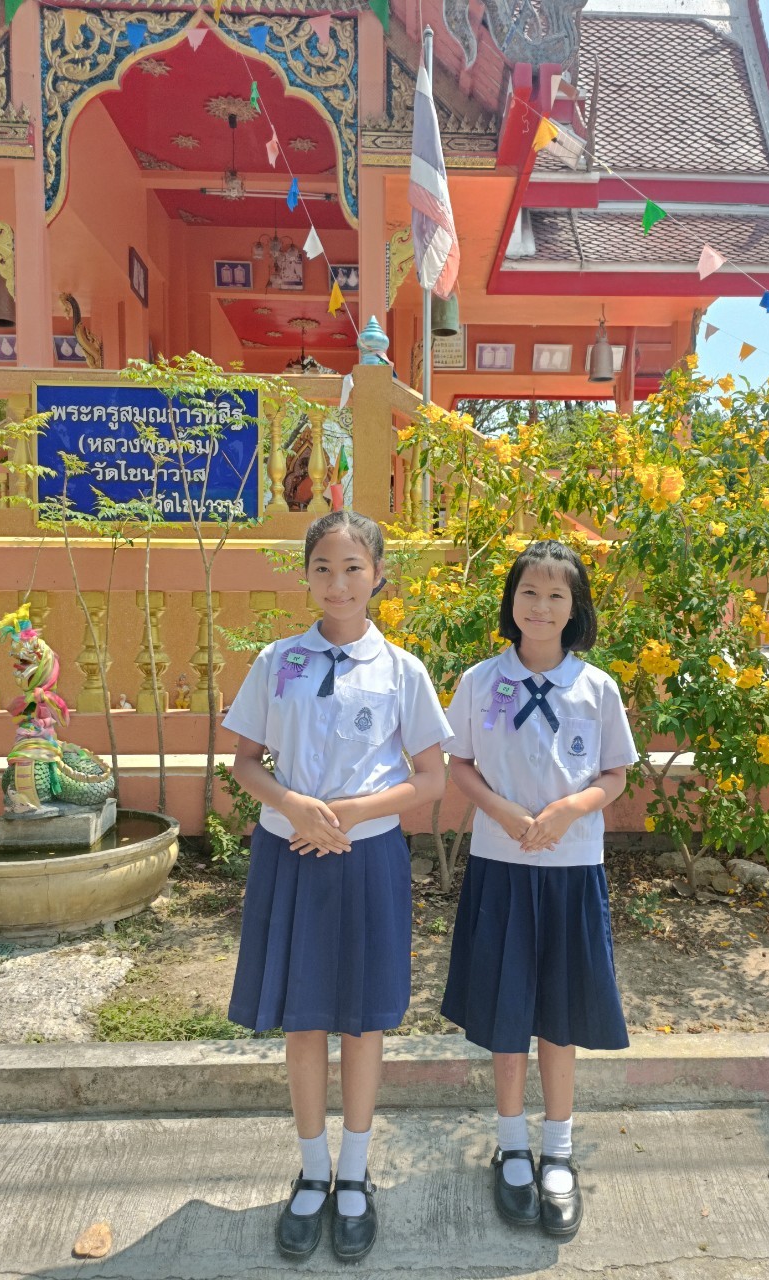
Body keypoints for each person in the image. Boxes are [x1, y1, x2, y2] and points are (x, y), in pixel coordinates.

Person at [223, 511, 452, 1262]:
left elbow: (430, 778)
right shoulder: (277, 661)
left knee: (360, 1020)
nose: (338, 582)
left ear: (378, 575)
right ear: (306, 575)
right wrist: (294, 805)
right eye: (323, 567)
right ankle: (312, 1171)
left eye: (354, 567)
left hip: (367, 858)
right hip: (290, 852)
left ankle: (354, 1173)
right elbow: (245, 762)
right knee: (303, 1020)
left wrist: (349, 813)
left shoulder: (403, 671)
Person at [440, 539, 637, 1241]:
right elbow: (459, 763)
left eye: (557, 595)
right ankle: (511, 1147)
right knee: (506, 1011)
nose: (542, 606)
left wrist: (568, 811)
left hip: (571, 869)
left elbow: (615, 774)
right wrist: (500, 811)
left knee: (558, 1012)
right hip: (501, 866)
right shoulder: (479, 681)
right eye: (530, 592)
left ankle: (557, 1149)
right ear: (511, 602)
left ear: (575, 607)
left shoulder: (597, 687)